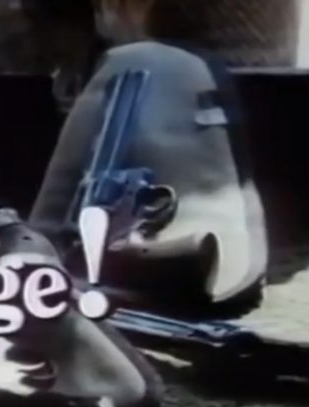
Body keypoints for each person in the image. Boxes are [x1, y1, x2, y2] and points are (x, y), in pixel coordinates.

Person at [29, 0, 268, 307]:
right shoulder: (196, 67)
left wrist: (33, 252)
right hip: (234, 263)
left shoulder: (128, 65)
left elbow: (52, 206)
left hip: (143, 263)